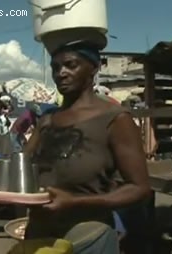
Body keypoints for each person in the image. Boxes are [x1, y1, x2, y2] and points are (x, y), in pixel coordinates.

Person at [23, 40, 151, 253]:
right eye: (55, 68)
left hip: (88, 237)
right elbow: (21, 166)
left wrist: (75, 202)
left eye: (71, 65)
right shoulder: (47, 120)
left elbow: (139, 188)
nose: (60, 73)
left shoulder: (115, 119)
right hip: (40, 235)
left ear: (94, 67)